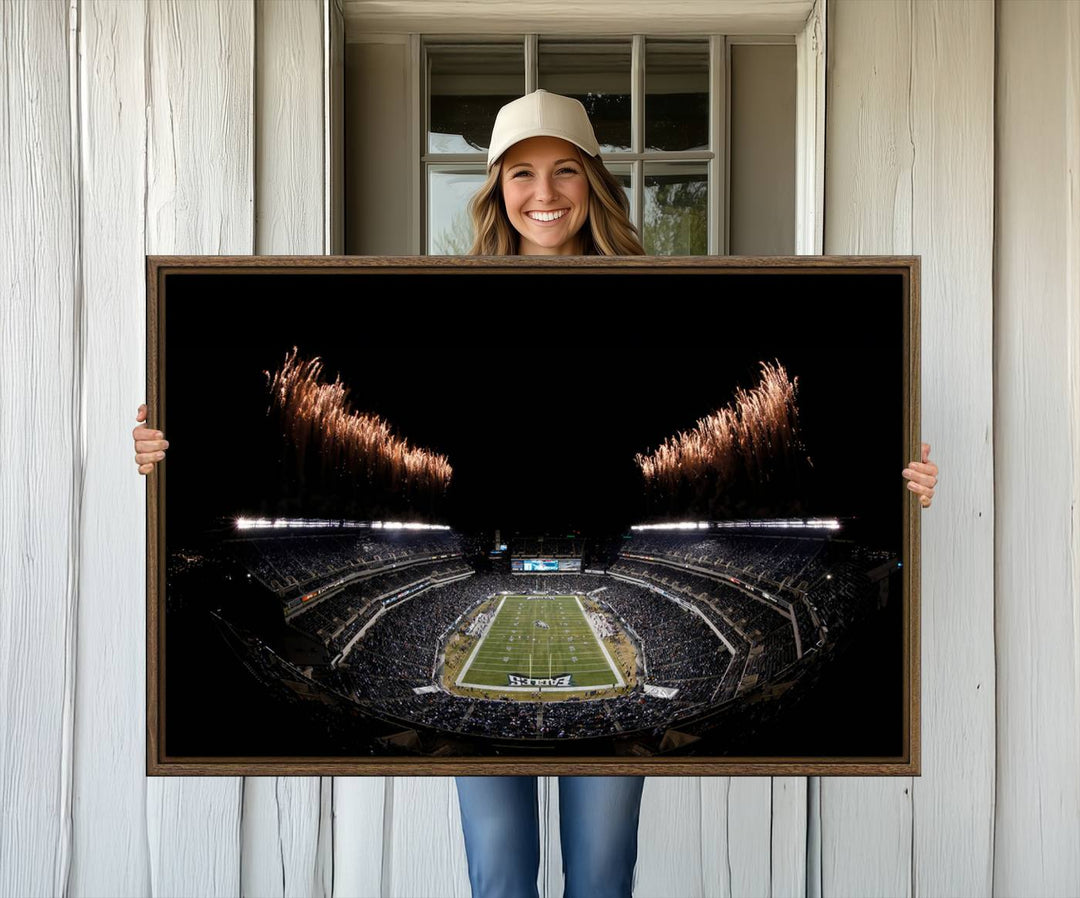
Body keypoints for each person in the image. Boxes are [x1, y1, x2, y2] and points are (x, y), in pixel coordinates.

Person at [131, 89, 940, 898]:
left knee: (600, 872)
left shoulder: (663, 300)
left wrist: (898, 484)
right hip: (498, 528)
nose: (544, 194)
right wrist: (166, 447)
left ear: (593, 181)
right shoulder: (446, 308)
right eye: (521, 173)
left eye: (564, 171)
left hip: (601, 529)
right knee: (500, 873)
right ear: (495, 188)